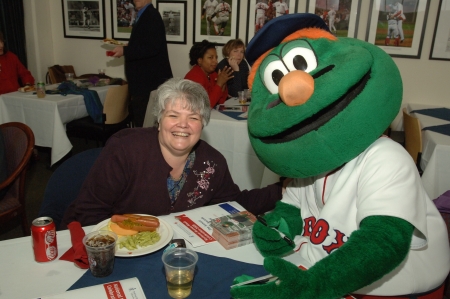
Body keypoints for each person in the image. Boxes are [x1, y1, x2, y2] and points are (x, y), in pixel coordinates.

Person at [61, 78, 284, 228]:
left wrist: (284, 189)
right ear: (159, 120)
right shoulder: (126, 151)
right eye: (173, 115)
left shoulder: (212, 163)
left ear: (203, 124)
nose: (183, 125)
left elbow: (235, 203)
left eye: (193, 118)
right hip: (113, 249)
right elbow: (88, 213)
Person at [111, 0, 173, 127]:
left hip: (147, 85)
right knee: (143, 125)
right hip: (144, 84)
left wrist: (125, 50)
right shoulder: (144, 14)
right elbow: (146, 43)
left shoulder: (151, 15)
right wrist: (130, 47)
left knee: (145, 127)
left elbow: (153, 47)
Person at [184, 40, 233, 107]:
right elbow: (206, 106)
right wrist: (219, 83)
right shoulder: (194, 77)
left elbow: (221, 101)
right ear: (200, 60)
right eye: (211, 57)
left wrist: (223, 83)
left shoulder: (212, 74)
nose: (215, 61)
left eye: (216, 57)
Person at [0, 31, 35, 95]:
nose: (1, 45)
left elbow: (24, 73)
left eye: (2, 42)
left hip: (15, 95)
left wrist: (28, 84)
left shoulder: (11, 57)